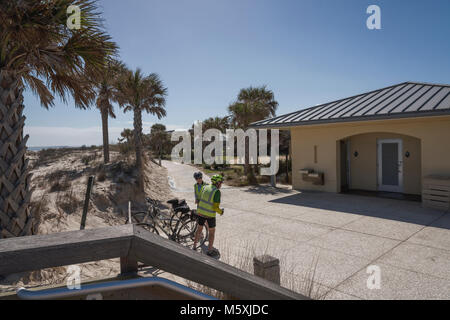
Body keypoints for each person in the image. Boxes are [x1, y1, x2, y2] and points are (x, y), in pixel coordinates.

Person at [193, 174, 224, 257]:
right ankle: (209, 251)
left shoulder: (205, 187)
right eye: (220, 182)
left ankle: (194, 246)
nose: (221, 184)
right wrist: (221, 212)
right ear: (217, 183)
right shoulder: (217, 192)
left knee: (199, 229)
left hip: (200, 212)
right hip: (209, 215)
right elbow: (215, 207)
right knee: (212, 232)